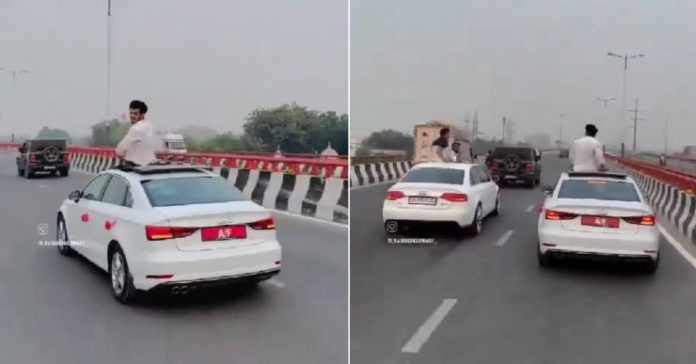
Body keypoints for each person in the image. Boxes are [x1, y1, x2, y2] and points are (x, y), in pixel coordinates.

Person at [115, 100, 157, 167]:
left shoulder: (136, 128)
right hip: (150, 165)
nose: (132, 116)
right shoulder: (151, 126)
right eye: (131, 113)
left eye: (135, 113)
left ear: (142, 114)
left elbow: (120, 150)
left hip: (135, 167)